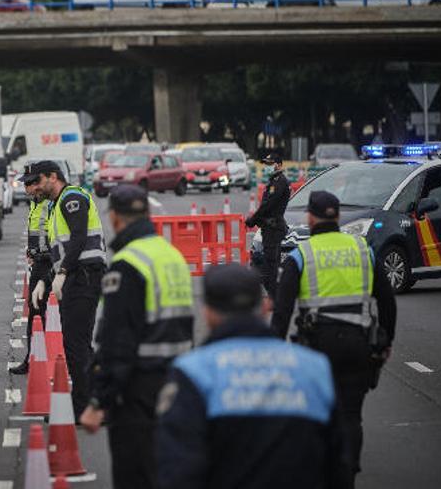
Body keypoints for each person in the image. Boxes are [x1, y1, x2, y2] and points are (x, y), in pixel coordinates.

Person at [156, 263, 352, 489]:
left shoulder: (192, 373)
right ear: (264, 307)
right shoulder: (314, 368)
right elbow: (338, 468)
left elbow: (177, 472)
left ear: (207, 312)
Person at [270, 190, 396, 483]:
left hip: (316, 350)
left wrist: (273, 354)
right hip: (358, 345)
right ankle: (347, 471)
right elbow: (387, 300)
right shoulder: (363, 249)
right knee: (351, 415)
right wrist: (385, 341)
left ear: (310, 218)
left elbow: (282, 312)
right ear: (337, 217)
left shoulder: (300, 255)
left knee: (317, 415)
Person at [79, 185, 194, 489]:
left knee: (135, 473)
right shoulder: (172, 256)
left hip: (138, 388)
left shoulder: (128, 264)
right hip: (177, 383)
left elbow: (118, 340)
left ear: (115, 217)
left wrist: (98, 400)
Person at [26, 160, 106, 418]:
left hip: (83, 277)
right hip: (75, 276)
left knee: (76, 345)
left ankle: (82, 406)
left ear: (53, 176)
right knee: (79, 345)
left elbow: (79, 238)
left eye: (37, 181)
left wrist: (62, 273)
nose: (34, 188)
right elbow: (62, 250)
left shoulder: (72, 198)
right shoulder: (55, 205)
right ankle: (91, 402)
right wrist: (46, 280)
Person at [10, 164, 53, 375]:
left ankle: (47, 358)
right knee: (36, 311)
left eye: (30, 184)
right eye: (25, 184)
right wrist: (31, 249)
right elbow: (37, 230)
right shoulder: (35, 203)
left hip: (52, 262)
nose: (26, 189)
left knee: (47, 311)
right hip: (39, 262)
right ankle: (33, 357)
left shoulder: (53, 202)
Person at [246, 153, 291, 299]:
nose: (267, 167)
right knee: (270, 263)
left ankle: (274, 296)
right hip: (269, 228)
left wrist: (253, 219)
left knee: (271, 264)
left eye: (270, 164)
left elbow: (268, 205)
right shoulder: (273, 181)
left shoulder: (279, 182)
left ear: (278, 165)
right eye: (265, 164)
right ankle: (274, 294)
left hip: (274, 229)